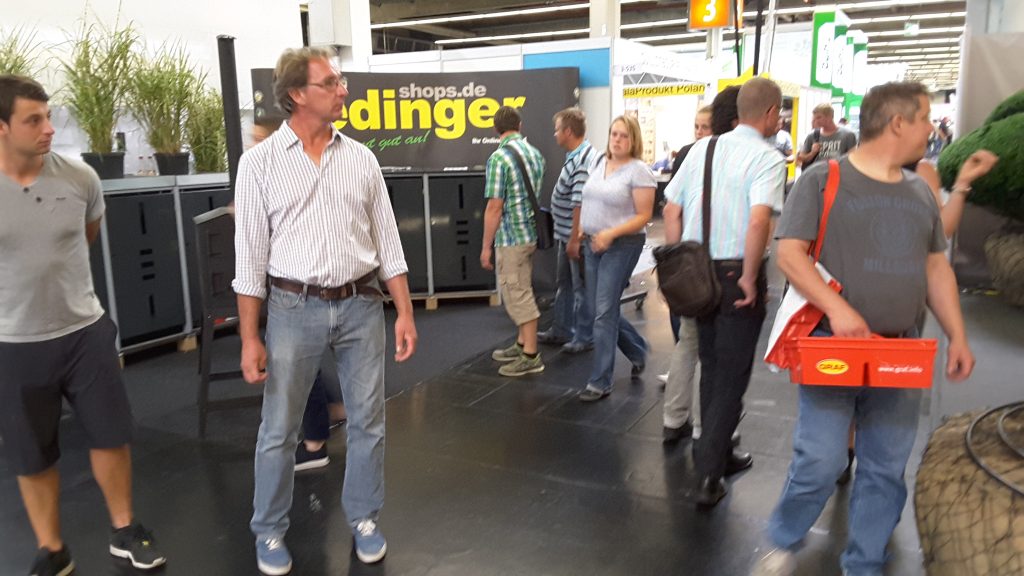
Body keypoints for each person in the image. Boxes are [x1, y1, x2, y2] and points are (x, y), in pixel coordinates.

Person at [752, 81, 996, 576]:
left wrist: (958, 335)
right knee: (820, 461)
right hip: (831, 345)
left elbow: (935, 268)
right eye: (924, 119)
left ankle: (864, 563)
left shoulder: (920, 191)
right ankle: (785, 534)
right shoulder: (821, 180)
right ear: (898, 123)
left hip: (900, 352)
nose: (931, 130)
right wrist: (837, 308)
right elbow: (790, 254)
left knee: (885, 468)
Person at [233, 47, 418, 574]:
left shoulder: (361, 158)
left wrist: (405, 311)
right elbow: (250, 259)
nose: (343, 90)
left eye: (340, 81)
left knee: (369, 421)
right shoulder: (260, 164)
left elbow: (388, 243)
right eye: (331, 83)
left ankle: (364, 518)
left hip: (362, 305)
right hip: (293, 307)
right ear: (297, 94)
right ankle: (269, 530)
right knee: (279, 427)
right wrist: (250, 337)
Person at [0, 74, 166, 574]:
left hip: (84, 333)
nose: (49, 128)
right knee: (32, 454)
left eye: (49, 116)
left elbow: (86, 235)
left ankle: (125, 530)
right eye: (34, 120)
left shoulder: (80, 178)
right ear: (2, 127)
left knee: (111, 435)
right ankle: (52, 548)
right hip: (14, 342)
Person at [664, 77, 785, 507]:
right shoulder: (767, 158)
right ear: (770, 113)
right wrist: (751, 277)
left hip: (697, 272)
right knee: (731, 376)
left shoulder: (702, 149)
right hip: (736, 273)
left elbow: (671, 210)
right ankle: (708, 476)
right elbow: (758, 222)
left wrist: (679, 261)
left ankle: (713, 455)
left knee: (712, 367)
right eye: (780, 113)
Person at [660, 92, 739, 444]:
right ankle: (708, 428)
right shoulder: (748, 155)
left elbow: (670, 210)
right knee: (719, 352)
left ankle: (674, 419)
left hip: (693, 264)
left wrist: (676, 259)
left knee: (688, 343)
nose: (699, 131)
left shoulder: (693, 155)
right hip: (730, 265)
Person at [576, 115, 656, 402]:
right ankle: (637, 349)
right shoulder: (599, 162)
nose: (617, 140)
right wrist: (582, 229)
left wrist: (610, 233)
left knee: (603, 312)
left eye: (624, 135)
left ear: (633, 140)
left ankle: (600, 381)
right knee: (601, 309)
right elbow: (588, 198)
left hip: (622, 245)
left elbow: (644, 216)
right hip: (592, 242)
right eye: (614, 134)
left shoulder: (639, 171)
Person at [481, 106, 547, 377]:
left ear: (496, 129)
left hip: (511, 238)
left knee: (517, 294)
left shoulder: (499, 159)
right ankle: (521, 343)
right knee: (522, 287)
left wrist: (485, 246)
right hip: (529, 234)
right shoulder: (535, 154)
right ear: (519, 125)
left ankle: (531, 355)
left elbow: (494, 207)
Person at [536, 107, 595, 353]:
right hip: (565, 234)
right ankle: (561, 329)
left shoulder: (582, 160)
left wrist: (574, 240)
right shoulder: (576, 156)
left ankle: (584, 336)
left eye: (557, 130)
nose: (555, 134)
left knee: (580, 288)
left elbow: (578, 204)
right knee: (566, 284)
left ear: (568, 132)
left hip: (574, 237)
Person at [795, 103, 857, 170]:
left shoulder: (848, 135)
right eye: (814, 118)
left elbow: (853, 159)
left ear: (829, 117)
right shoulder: (813, 136)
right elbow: (800, 159)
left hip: (839, 174)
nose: (816, 120)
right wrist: (812, 153)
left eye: (819, 117)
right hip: (817, 174)